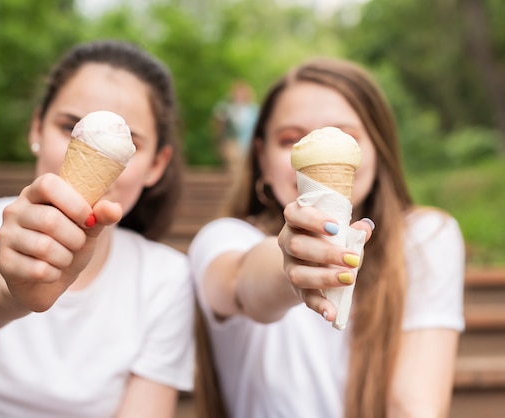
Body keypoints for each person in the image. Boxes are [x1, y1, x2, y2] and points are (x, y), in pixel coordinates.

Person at [0, 40, 194, 418]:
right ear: (36, 126)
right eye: (69, 126)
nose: (94, 147)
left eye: (130, 144)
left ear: (157, 165)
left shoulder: (164, 277)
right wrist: (11, 287)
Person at [190, 57, 465, 418]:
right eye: (290, 138)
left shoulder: (426, 237)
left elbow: (415, 406)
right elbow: (241, 282)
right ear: (261, 157)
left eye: (346, 135)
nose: (321, 148)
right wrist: (291, 261)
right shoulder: (222, 237)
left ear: (378, 150)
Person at [212, 80, 259, 176]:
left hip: (247, 143)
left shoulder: (253, 110)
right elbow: (218, 125)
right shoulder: (226, 108)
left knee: (244, 167)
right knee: (233, 166)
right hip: (232, 142)